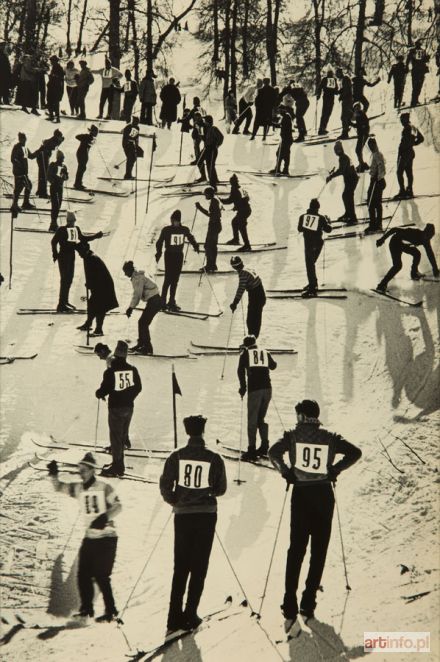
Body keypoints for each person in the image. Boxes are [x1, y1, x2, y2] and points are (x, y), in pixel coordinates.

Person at [269, 399, 362, 627]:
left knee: (296, 548)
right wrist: (335, 470)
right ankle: (308, 600)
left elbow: (273, 453)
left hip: (301, 494)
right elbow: (355, 453)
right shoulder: (330, 438)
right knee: (319, 549)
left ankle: (289, 601)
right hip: (323, 494)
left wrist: (287, 472)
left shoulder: (291, 436)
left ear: (301, 416)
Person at [159, 415, 227, 632]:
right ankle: (190, 614)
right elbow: (221, 489)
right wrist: (206, 493)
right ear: (203, 431)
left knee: (180, 566)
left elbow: (165, 484)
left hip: (183, 516)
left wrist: (175, 500)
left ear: (187, 431)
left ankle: (173, 618)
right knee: (199, 566)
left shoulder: (176, 456)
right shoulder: (214, 458)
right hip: (206, 515)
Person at [47, 452, 122, 621]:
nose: (81, 473)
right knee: (83, 574)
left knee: (102, 576)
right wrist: (53, 474)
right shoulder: (78, 488)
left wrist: (104, 517)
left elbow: (118, 506)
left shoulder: (104, 487)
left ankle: (111, 611)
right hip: (90, 537)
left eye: (85, 470)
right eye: (79, 470)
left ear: (92, 470)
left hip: (107, 537)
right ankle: (86, 609)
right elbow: (59, 487)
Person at [95, 340, 142, 477]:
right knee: (122, 435)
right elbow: (138, 387)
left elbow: (104, 389)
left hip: (116, 408)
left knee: (115, 437)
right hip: (129, 407)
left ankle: (117, 467)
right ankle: (118, 461)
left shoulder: (110, 371)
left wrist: (99, 394)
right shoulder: (133, 369)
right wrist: (129, 397)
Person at [51, 211, 103, 312]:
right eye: (71, 221)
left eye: (73, 221)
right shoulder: (62, 230)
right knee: (64, 279)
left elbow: (83, 238)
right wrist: (55, 253)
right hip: (63, 257)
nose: (72, 223)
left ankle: (65, 301)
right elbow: (54, 242)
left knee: (69, 279)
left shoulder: (75, 229)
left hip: (71, 256)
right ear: (68, 221)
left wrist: (95, 236)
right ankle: (61, 304)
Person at [238, 335, 277, 461]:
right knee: (261, 418)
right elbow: (273, 366)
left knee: (252, 419)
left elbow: (240, 372)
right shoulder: (265, 352)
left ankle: (251, 449)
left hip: (255, 390)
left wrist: (243, 388)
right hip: (268, 389)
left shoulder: (245, 354)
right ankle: (265, 445)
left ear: (245, 345)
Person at [155, 210, 199, 310]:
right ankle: (162, 302)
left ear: (179, 221)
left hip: (179, 256)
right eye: (173, 220)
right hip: (169, 255)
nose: (175, 223)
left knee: (175, 280)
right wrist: (158, 253)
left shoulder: (184, 229)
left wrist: (195, 245)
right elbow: (159, 242)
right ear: (171, 220)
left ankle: (171, 302)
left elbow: (190, 237)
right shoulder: (166, 230)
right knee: (168, 279)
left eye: (177, 221)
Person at [376, 224, 439, 292]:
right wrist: (382, 239)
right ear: (424, 232)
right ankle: (382, 285)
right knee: (398, 266)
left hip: (403, 245)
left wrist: (435, 269)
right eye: (427, 236)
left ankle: (414, 273)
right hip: (394, 243)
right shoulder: (413, 232)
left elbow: (430, 254)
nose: (427, 239)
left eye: (430, 237)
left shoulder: (426, 241)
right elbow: (394, 229)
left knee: (417, 254)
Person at [76, 242, 119, 336]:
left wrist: (90, 284)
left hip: (104, 286)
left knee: (100, 307)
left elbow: (97, 275)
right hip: (98, 285)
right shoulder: (87, 257)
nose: (79, 254)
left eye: (80, 252)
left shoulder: (92, 258)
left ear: (85, 250)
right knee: (92, 304)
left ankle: (99, 329)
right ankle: (88, 323)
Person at [123, 261, 162, 355]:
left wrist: (131, 308)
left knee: (143, 323)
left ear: (129, 270)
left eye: (125, 272)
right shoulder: (137, 276)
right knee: (142, 322)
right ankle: (141, 344)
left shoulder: (137, 278)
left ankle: (147, 347)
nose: (125, 274)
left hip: (154, 301)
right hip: (154, 301)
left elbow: (137, 294)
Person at [298, 198, 332, 297]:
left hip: (309, 244)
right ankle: (313, 284)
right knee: (311, 264)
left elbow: (299, 229)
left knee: (310, 265)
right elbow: (328, 230)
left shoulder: (303, 217)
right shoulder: (320, 217)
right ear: (318, 208)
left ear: (309, 206)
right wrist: (329, 222)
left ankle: (313, 287)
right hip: (318, 244)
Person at [230, 256, 266, 337]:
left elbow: (241, 289)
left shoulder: (243, 274)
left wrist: (235, 303)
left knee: (252, 320)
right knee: (254, 318)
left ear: (234, 267)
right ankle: (252, 338)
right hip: (260, 294)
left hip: (255, 296)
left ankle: (252, 339)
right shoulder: (247, 268)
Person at [326, 141, 359, 224]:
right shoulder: (343, 157)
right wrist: (332, 175)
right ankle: (348, 213)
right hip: (349, 179)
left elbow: (341, 170)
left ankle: (353, 217)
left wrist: (331, 176)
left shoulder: (343, 158)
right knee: (345, 196)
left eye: (336, 150)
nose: (335, 152)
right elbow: (342, 170)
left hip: (351, 179)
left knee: (348, 196)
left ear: (340, 150)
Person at [394, 112, 424, 200]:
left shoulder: (407, 128)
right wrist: (413, 143)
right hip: (410, 152)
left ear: (406, 119)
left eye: (402, 120)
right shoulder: (413, 128)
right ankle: (409, 189)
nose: (401, 122)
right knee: (408, 172)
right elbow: (421, 138)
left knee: (399, 172)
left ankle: (402, 191)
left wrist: (411, 144)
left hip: (405, 153)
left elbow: (416, 139)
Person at [220, 174, 252, 250]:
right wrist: (236, 206)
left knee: (241, 227)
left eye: (231, 182)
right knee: (234, 222)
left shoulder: (236, 190)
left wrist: (221, 200)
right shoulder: (238, 188)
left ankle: (247, 245)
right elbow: (245, 198)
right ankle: (236, 239)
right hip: (244, 209)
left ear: (234, 182)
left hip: (244, 211)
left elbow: (230, 200)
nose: (231, 183)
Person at [195, 187, 222, 272]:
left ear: (210, 194)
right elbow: (212, 214)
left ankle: (211, 265)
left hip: (214, 226)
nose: (205, 196)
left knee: (209, 246)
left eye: (206, 194)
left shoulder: (214, 202)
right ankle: (211, 265)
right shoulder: (214, 201)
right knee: (209, 246)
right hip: (214, 226)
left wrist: (200, 208)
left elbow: (214, 215)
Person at [10, 132, 37, 213]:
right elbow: (13, 159)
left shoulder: (24, 148)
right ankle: (15, 205)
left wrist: (40, 150)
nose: (24, 140)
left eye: (25, 138)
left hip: (24, 172)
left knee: (28, 185)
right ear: (20, 139)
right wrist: (19, 164)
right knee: (19, 188)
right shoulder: (17, 147)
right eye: (23, 139)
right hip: (19, 172)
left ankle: (25, 203)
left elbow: (31, 156)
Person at [34, 128, 64, 198]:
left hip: (44, 157)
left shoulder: (54, 140)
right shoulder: (52, 141)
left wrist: (60, 141)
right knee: (44, 174)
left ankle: (40, 191)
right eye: (60, 136)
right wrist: (60, 141)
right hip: (43, 157)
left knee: (42, 174)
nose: (60, 138)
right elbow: (52, 145)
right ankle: (42, 193)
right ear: (57, 136)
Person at [365, 137, 386, 234]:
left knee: (375, 203)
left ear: (375, 144)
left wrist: (379, 177)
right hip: (374, 180)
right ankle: (374, 224)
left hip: (377, 181)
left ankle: (377, 224)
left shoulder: (377, 155)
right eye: (369, 145)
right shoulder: (374, 154)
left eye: (372, 145)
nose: (370, 147)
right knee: (371, 203)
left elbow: (381, 167)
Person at [198, 115, 223, 188]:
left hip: (212, 149)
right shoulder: (207, 129)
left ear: (208, 122)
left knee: (211, 165)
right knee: (200, 162)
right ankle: (205, 177)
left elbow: (221, 137)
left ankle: (213, 183)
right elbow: (205, 139)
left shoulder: (213, 128)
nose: (204, 122)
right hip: (206, 148)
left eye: (205, 121)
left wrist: (217, 145)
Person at [47, 150, 68, 232]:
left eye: (63, 158)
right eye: (61, 158)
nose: (62, 160)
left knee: (58, 205)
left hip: (60, 188)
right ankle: (53, 223)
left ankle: (54, 223)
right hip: (54, 187)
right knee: (55, 205)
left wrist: (64, 176)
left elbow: (66, 177)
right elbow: (48, 175)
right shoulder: (53, 165)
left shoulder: (64, 166)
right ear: (58, 158)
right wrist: (53, 180)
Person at [74, 124, 99, 190]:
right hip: (81, 153)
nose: (97, 134)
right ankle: (77, 184)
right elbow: (77, 136)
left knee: (82, 168)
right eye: (96, 132)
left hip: (84, 154)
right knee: (81, 168)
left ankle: (78, 183)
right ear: (92, 132)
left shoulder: (91, 138)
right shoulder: (87, 136)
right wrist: (85, 138)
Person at [406, 40, 429, 107]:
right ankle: (413, 101)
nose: (419, 46)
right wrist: (407, 67)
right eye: (418, 44)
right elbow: (408, 60)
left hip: (418, 71)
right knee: (416, 86)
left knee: (418, 86)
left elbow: (424, 60)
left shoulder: (421, 51)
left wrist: (427, 58)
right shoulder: (413, 51)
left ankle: (415, 100)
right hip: (417, 71)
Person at [271, 106, 293, 175]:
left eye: (281, 110)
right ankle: (281, 169)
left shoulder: (286, 117)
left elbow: (283, 126)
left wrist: (273, 124)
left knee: (282, 154)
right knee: (281, 154)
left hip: (287, 139)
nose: (279, 112)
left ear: (284, 110)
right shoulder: (285, 116)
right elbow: (281, 125)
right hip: (286, 139)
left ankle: (282, 170)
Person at [317, 69, 339, 135]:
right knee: (327, 113)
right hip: (330, 98)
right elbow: (336, 90)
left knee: (326, 113)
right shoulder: (333, 80)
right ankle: (322, 128)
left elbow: (320, 87)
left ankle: (322, 128)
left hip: (327, 97)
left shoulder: (326, 79)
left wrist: (319, 95)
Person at [351, 101, 370, 172]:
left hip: (363, 135)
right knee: (358, 150)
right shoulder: (361, 114)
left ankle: (362, 165)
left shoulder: (360, 114)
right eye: (355, 108)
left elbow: (361, 125)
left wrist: (351, 124)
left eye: (357, 108)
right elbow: (359, 125)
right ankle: (362, 164)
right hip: (362, 135)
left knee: (358, 150)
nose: (356, 109)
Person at [46, 54, 64, 123]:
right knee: (50, 101)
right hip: (52, 87)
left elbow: (60, 77)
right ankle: (51, 116)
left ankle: (57, 117)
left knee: (55, 102)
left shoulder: (59, 68)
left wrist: (53, 76)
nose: (51, 62)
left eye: (52, 61)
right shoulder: (54, 67)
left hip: (56, 88)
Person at [335, 68, 353, 139]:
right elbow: (344, 89)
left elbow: (346, 90)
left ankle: (345, 133)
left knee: (343, 117)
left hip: (347, 100)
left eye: (337, 74)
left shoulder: (345, 79)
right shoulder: (345, 79)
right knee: (347, 117)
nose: (337, 76)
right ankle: (347, 129)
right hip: (348, 99)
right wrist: (339, 92)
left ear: (340, 73)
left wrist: (341, 96)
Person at [191, 112, 206, 179]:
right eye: (195, 117)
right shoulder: (196, 122)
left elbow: (201, 134)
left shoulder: (201, 123)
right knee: (196, 150)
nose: (196, 118)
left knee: (200, 159)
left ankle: (203, 176)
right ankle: (197, 158)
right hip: (196, 138)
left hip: (198, 138)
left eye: (197, 117)